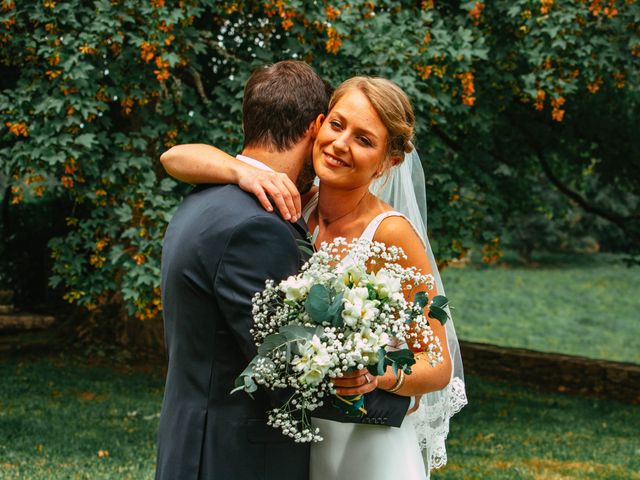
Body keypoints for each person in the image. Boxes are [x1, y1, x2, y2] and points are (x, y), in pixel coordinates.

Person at [161, 75, 467, 479]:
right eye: (337, 125)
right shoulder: (298, 203)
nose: (341, 144)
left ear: (389, 161)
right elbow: (175, 157)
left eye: (364, 139)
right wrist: (240, 172)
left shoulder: (392, 234)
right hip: (306, 439)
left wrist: (378, 376)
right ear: (317, 125)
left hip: (366, 445)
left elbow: (438, 364)